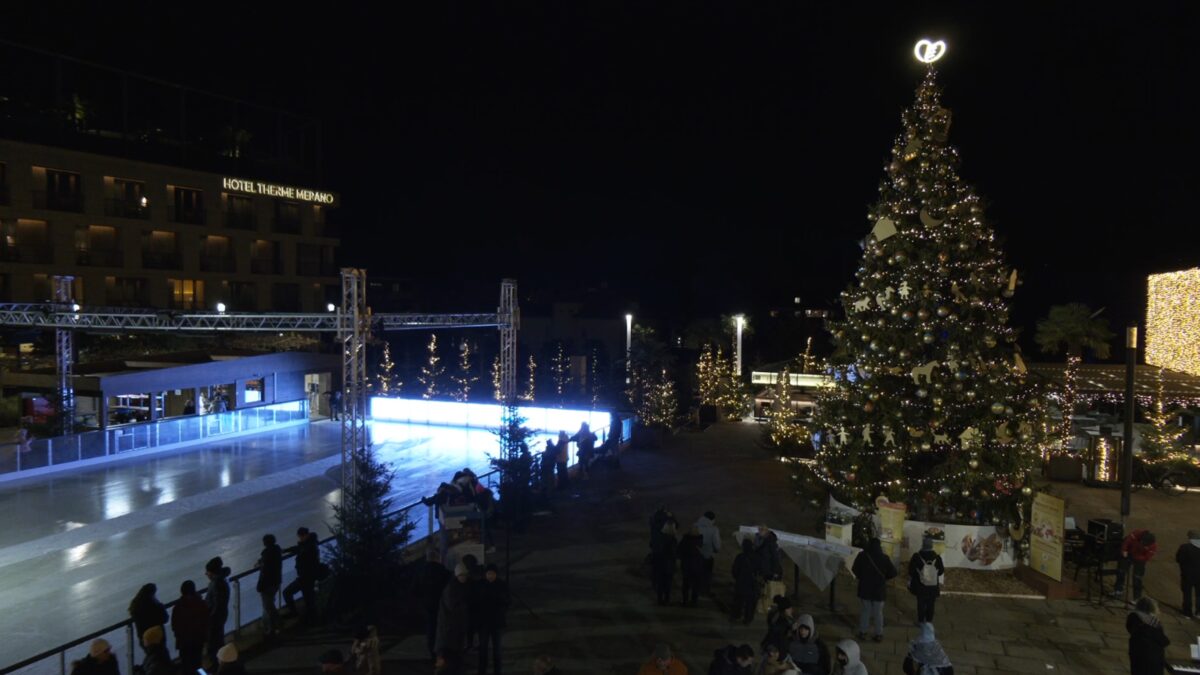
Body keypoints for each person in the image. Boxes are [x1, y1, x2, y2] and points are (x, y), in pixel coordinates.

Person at [851, 538, 896, 642]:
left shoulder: (862, 556)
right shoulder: (884, 558)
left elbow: (854, 569)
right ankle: (879, 634)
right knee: (878, 612)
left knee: (865, 610)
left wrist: (862, 577)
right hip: (879, 590)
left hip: (865, 588)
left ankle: (863, 632)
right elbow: (893, 573)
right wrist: (884, 578)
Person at [412, 550, 453, 659]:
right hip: (441, 604)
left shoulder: (420, 571)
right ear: (437, 558)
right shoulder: (444, 571)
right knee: (441, 628)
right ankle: (441, 652)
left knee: (430, 628)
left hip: (427, 604)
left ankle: (432, 652)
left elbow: (415, 590)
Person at [436, 562, 472, 675]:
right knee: (451, 658)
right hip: (450, 630)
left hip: (455, 628)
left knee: (455, 656)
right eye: (461, 575)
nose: (463, 577)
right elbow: (454, 607)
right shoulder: (451, 589)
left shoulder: (459, 586)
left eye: (465, 575)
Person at [478, 563, 510, 675]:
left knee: (497, 650)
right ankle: (482, 671)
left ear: (496, 574)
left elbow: (507, 602)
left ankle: (497, 672)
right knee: (483, 650)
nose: (490, 576)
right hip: (484, 623)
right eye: (488, 574)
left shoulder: (501, 585)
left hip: (496, 623)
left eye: (492, 574)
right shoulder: (481, 585)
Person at [284, 527, 321, 623]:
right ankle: (312, 618)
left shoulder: (309, 546)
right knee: (309, 598)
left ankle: (306, 617)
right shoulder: (310, 544)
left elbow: (301, 551)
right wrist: (285, 550)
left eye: (300, 537)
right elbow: (298, 549)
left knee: (288, 593)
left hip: (306, 577)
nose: (300, 539)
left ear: (305, 535)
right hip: (307, 577)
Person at [171, 580, 208, 672]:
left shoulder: (178, 607)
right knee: (198, 663)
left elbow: (174, 625)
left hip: (184, 642)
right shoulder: (201, 603)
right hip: (198, 640)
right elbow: (206, 620)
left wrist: (178, 635)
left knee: (186, 664)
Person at [1127, 597, 1169, 675]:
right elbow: (1163, 641)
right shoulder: (1154, 623)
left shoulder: (1133, 617)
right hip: (1152, 658)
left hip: (1136, 654)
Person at [907, 536, 945, 623]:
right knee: (931, 604)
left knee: (920, 603)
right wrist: (932, 574)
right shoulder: (937, 557)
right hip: (932, 586)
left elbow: (911, 571)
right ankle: (929, 621)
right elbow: (941, 571)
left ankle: (920, 621)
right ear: (931, 546)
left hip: (920, 585)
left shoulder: (916, 556)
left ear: (923, 545)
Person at [1113, 529, 1158, 601]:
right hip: (1129, 553)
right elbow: (1127, 541)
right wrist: (1124, 550)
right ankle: (1118, 590)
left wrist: (1135, 557)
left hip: (1139, 559)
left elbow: (1146, 557)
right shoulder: (1136, 533)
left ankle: (1137, 598)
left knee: (1137, 578)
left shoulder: (1153, 546)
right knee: (1121, 571)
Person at [205, 556, 232, 665]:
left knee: (214, 643)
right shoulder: (219, 581)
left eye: (207, 572)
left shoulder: (217, 584)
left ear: (212, 572)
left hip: (215, 619)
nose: (206, 574)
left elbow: (218, 603)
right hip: (219, 617)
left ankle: (217, 666)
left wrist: (211, 618)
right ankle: (221, 664)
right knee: (218, 641)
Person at [128, 583, 169, 654]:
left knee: (151, 657)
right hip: (156, 637)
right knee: (161, 656)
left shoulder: (135, 606)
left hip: (144, 638)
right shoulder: (153, 605)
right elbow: (165, 618)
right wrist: (160, 605)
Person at [256, 533, 283, 636]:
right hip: (276, 581)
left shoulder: (267, 554)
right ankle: (275, 625)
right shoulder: (277, 551)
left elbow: (265, 572)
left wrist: (259, 586)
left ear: (265, 543)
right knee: (269, 605)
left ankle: (274, 627)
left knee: (268, 606)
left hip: (267, 584)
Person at [732, 539, 760, 624]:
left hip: (741, 582)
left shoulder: (740, 557)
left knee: (739, 600)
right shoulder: (756, 557)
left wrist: (737, 578)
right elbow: (760, 569)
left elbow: (734, 570)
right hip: (752, 583)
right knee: (750, 602)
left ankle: (736, 615)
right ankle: (748, 618)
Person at [678, 524, 706, 607]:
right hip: (698, 567)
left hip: (687, 566)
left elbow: (678, 552)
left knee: (686, 584)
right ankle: (694, 601)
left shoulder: (685, 541)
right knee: (696, 585)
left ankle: (685, 600)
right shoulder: (701, 541)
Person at [653, 520, 679, 605]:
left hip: (660, 563)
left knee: (660, 582)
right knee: (668, 583)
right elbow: (675, 553)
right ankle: (667, 599)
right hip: (669, 564)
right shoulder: (673, 540)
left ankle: (659, 599)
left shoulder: (659, 538)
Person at [695, 511, 722, 595]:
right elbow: (717, 545)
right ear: (712, 519)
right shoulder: (714, 529)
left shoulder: (695, 526)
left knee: (696, 574)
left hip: (695, 555)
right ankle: (704, 591)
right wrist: (716, 550)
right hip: (707, 556)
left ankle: (695, 590)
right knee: (706, 575)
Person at [1175, 529, 1200, 618]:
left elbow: (1178, 559)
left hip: (1187, 575)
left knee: (1187, 594)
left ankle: (1187, 613)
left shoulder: (1185, 547)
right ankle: (1199, 612)